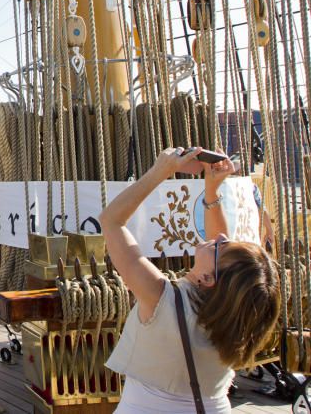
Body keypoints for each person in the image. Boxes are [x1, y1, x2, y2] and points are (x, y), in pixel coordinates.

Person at [101, 147, 281, 413]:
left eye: (223, 246)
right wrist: (211, 190)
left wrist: (161, 171)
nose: (221, 236)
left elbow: (111, 221)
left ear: (208, 279)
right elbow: (224, 261)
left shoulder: (161, 299)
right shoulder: (237, 317)